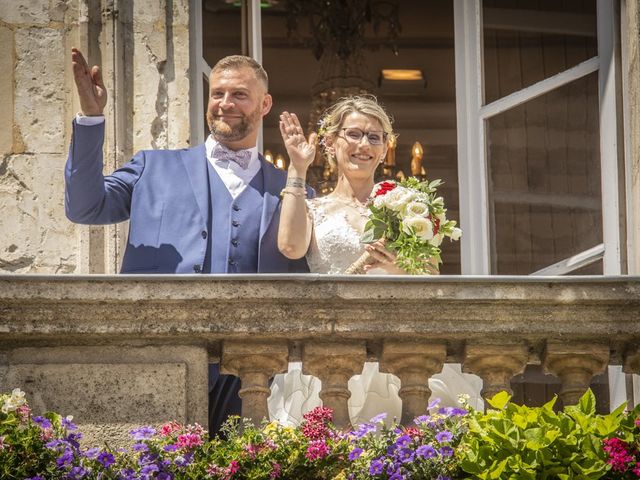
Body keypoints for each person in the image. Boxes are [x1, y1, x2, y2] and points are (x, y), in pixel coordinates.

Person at [65, 49, 312, 434]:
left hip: (255, 369)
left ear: (264, 104)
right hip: (160, 350)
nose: (225, 104)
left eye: (239, 95)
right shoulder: (152, 166)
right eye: (217, 94)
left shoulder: (293, 189)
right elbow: (85, 208)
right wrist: (92, 118)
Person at [270, 95, 482, 425]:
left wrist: (399, 266)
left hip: (400, 343)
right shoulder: (314, 208)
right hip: (334, 342)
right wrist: (298, 168)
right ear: (330, 141)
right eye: (353, 134)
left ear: (384, 148)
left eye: (374, 137)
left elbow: (431, 274)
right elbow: (290, 247)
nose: (363, 145)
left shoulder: (408, 204)